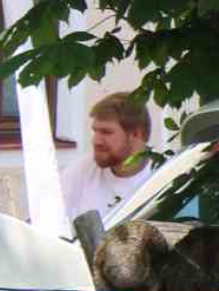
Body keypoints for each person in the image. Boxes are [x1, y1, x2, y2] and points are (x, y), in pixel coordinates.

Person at [61, 92, 152, 228]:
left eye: (106, 132)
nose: (96, 141)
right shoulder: (80, 171)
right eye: (95, 131)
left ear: (135, 134)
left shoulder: (164, 175)